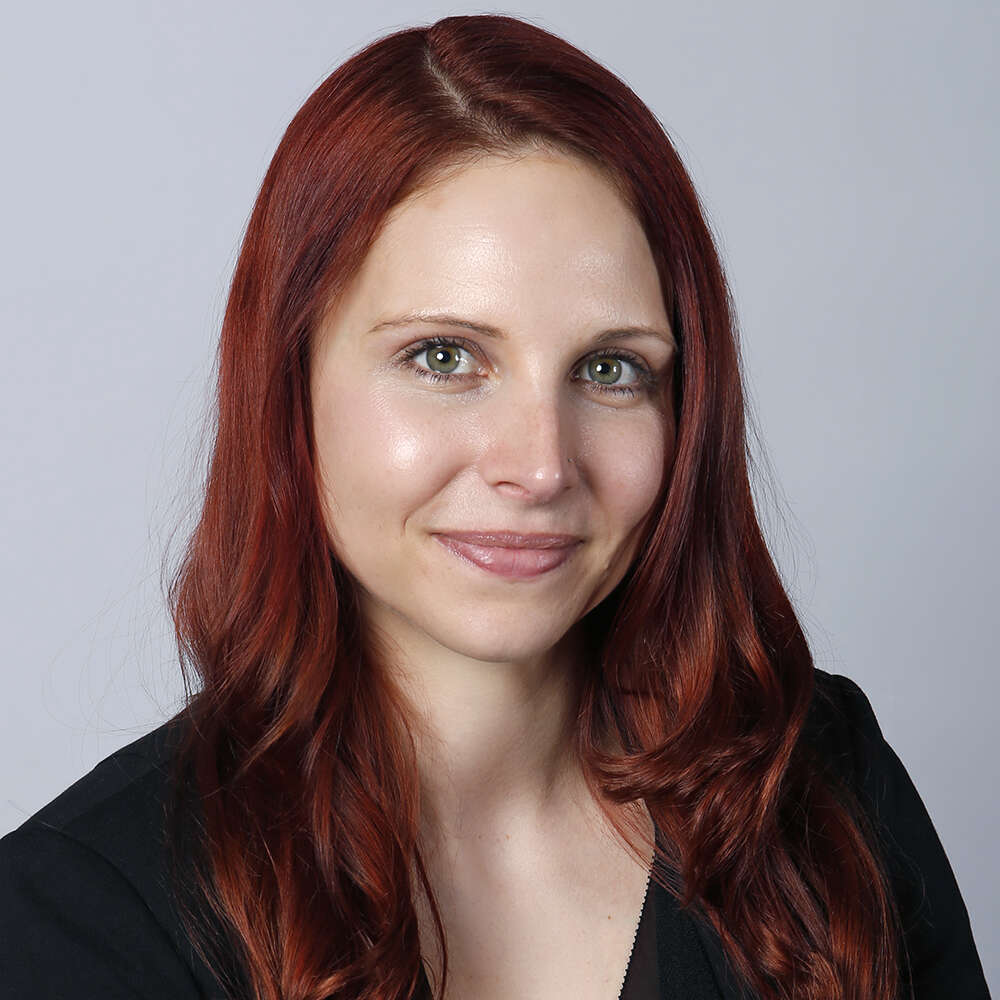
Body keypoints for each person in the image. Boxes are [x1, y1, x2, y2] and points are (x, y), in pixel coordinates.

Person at [0, 13, 991, 1000]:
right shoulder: (77, 916)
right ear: (287, 385)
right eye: (442, 357)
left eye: (610, 369)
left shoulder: (820, 785)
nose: (540, 465)